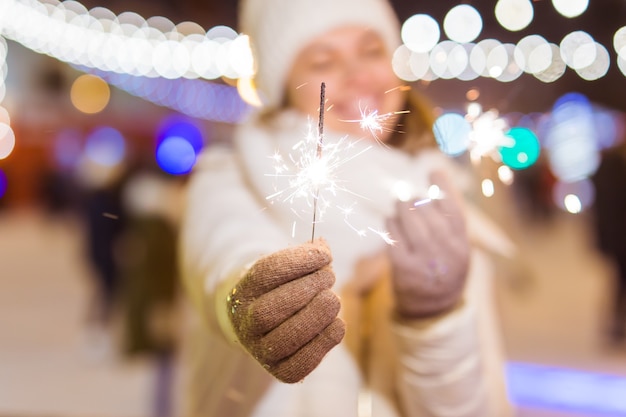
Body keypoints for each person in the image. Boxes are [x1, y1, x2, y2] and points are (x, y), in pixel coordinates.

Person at [178, 0, 514, 415]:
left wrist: (435, 321)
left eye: (371, 51)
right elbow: (226, 259)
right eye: (323, 61)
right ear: (283, 87)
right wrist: (250, 304)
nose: (357, 75)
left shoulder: (438, 203)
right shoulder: (233, 178)